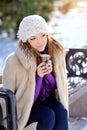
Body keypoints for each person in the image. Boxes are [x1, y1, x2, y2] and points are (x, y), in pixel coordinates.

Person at [1, 15, 69, 130]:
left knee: (61, 111)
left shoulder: (56, 53)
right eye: (33, 38)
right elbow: (9, 98)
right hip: (23, 107)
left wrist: (48, 74)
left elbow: (57, 88)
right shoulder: (13, 61)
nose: (40, 42)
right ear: (25, 40)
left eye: (43, 35)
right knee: (47, 115)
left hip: (46, 101)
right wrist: (39, 77)